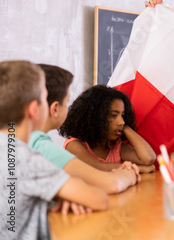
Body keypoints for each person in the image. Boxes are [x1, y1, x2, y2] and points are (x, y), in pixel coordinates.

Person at [0, 61, 108, 239]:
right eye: (44, 98)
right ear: (34, 110)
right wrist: (66, 192)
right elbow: (99, 199)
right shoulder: (24, 158)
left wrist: (55, 194)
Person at [29, 64, 140, 194]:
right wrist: (130, 173)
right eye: (67, 102)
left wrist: (59, 198)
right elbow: (110, 186)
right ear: (54, 109)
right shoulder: (43, 147)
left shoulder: (18, 141)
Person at [59, 85, 156, 173]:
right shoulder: (74, 144)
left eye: (122, 115)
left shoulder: (114, 146)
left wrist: (125, 127)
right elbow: (97, 167)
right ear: (94, 117)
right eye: (113, 115)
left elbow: (148, 158)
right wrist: (139, 169)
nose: (121, 121)